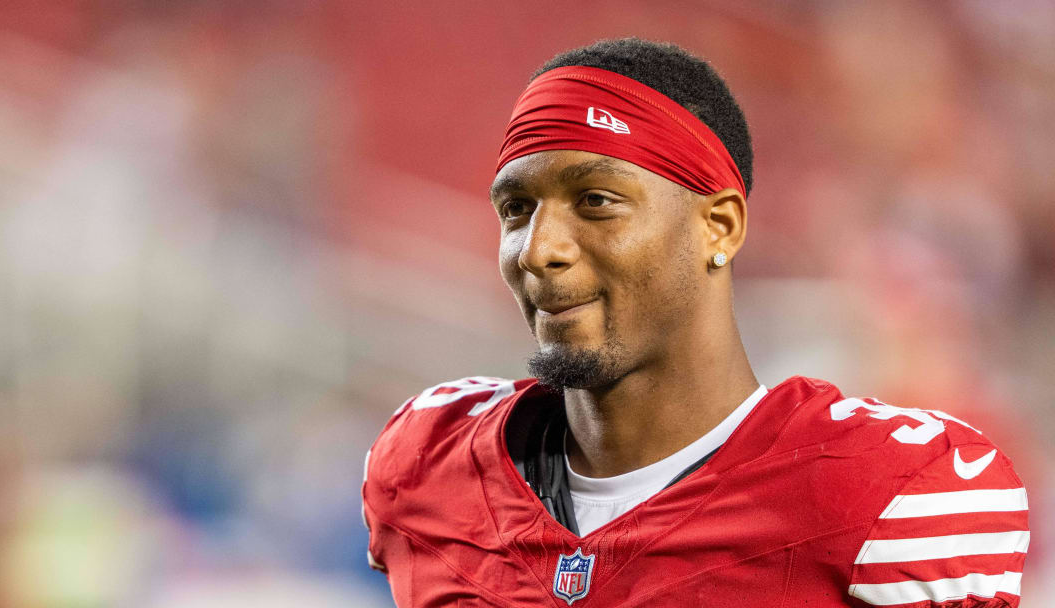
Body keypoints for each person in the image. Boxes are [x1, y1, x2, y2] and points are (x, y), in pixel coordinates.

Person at [361, 38, 1029, 607]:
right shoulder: (425, 462)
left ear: (720, 226)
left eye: (596, 201)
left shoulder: (890, 494)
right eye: (516, 208)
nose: (538, 249)